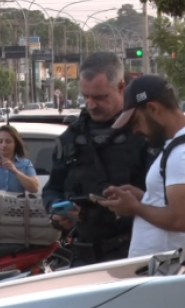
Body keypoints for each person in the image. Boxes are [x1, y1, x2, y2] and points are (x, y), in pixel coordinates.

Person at [42, 52, 150, 265]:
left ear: (121, 87)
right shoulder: (71, 138)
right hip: (81, 254)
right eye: (86, 97)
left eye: (100, 97)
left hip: (132, 253)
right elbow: (51, 189)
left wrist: (138, 202)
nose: (91, 105)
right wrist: (57, 211)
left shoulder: (143, 134)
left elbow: (164, 200)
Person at [98, 75, 185, 258]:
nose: (135, 131)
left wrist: (135, 207)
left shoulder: (184, 152)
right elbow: (177, 206)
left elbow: (180, 220)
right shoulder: (182, 144)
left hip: (169, 269)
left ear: (153, 109)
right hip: (164, 268)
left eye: (136, 121)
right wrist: (145, 197)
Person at [0, 124, 40, 194]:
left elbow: (35, 188)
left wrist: (15, 171)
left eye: (8, 141)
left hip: (17, 204)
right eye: (0, 141)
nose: (4, 145)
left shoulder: (25, 164)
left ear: (15, 143)